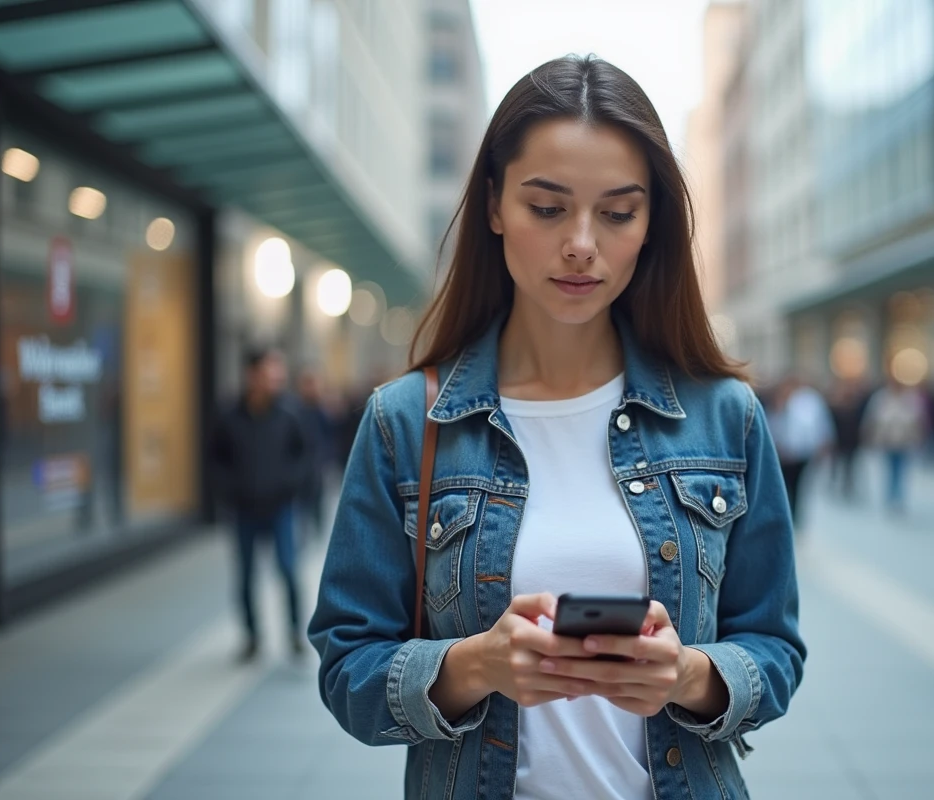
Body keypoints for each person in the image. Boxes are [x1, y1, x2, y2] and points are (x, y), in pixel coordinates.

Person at [308, 55, 806, 800]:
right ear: (494, 206)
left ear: (651, 224)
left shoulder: (724, 416)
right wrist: (476, 664)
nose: (582, 243)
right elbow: (347, 667)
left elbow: (775, 649)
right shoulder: (405, 422)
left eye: (617, 212)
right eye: (547, 208)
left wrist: (689, 675)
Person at [212, 347, 311, 662]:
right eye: (270, 372)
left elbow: (305, 455)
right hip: (244, 509)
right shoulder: (229, 416)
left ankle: (295, 633)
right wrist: (230, 490)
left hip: (280, 507)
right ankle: (252, 636)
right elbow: (216, 459)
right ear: (252, 375)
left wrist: (289, 484)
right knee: (245, 576)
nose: (277, 379)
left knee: (288, 570)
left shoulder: (290, 414)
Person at [768, 375, 834, 529]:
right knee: (782, 487)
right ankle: (784, 516)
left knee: (798, 487)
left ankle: (795, 518)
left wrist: (823, 444)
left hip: (801, 453)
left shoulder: (808, 401)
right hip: (781, 453)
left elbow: (819, 424)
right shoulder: (776, 401)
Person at [862, 376, 926, 514]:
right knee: (889, 470)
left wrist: (917, 436)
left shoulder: (909, 398)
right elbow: (873, 418)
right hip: (887, 440)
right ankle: (890, 498)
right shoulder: (881, 397)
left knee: (901, 470)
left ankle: (899, 498)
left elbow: (918, 419)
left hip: (904, 440)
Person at [295, 368, 335, 540]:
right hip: (300, 465)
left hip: (318, 464)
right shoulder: (295, 410)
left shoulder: (322, 410)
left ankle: (318, 531)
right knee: (302, 505)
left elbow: (330, 435)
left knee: (319, 500)